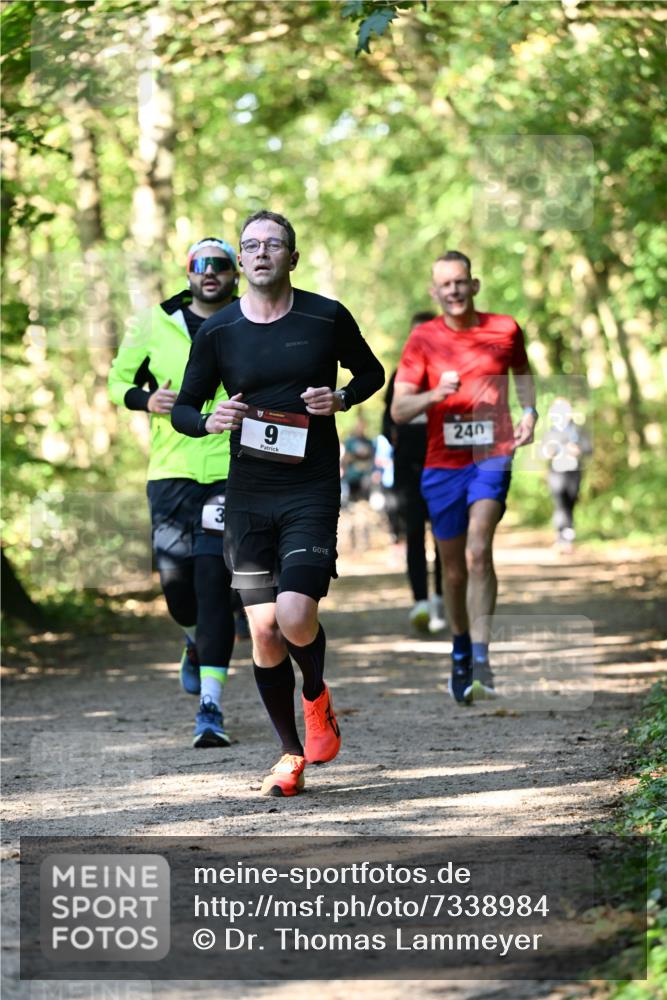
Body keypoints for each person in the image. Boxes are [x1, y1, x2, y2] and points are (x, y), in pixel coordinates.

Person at [172, 210, 384, 797]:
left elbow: (371, 373)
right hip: (247, 494)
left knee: (295, 614)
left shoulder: (325, 316)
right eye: (251, 245)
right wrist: (209, 418)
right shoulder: (218, 332)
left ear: (292, 257)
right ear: (241, 262)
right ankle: (290, 754)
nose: (262, 252)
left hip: (310, 485)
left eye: (274, 244)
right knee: (263, 632)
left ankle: (316, 697)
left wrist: (340, 397)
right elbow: (186, 408)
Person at [108, 237, 240, 748]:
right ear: (187, 272)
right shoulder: (151, 323)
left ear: (234, 274)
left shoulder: (248, 321)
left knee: (213, 587)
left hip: (230, 471)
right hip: (170, 471)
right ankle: (191, 640)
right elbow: (117, 382)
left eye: (221, 265)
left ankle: (210, 706)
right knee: (176, 588)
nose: (210, 272)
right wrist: (147, 399)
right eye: (200, 264)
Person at [391, 251, 537, 704]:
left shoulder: (506, 328)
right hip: (441, 463)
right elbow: (399, 410)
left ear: (474, 285)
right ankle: (458, 648)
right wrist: (436, 393)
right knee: (452, 571)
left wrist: (529, 411)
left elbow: (524, 376)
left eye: (461, 282)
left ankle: (481, 654)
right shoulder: (422, 339)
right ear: (435, 293)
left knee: (478, 551)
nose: (454, 291)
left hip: (491, 453)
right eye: (445, 285)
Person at [383, 311, 446, 635]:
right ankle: (420, 601)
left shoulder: (448, 376)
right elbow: (387, 421)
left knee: (444, 538)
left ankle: (440, 599)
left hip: (444, 467)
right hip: (408, 472)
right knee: (414, 538)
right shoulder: (400, 376)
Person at [542, 397, 591, 552]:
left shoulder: (578, 430)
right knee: (560, 502)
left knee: (570, 501)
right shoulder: (550, 432)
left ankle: (566, 533)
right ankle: (563, 535)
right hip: (556, 472)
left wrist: (579, 450)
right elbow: (543, 452)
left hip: (574, 471)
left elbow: (588, 448)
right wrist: (550, 452)